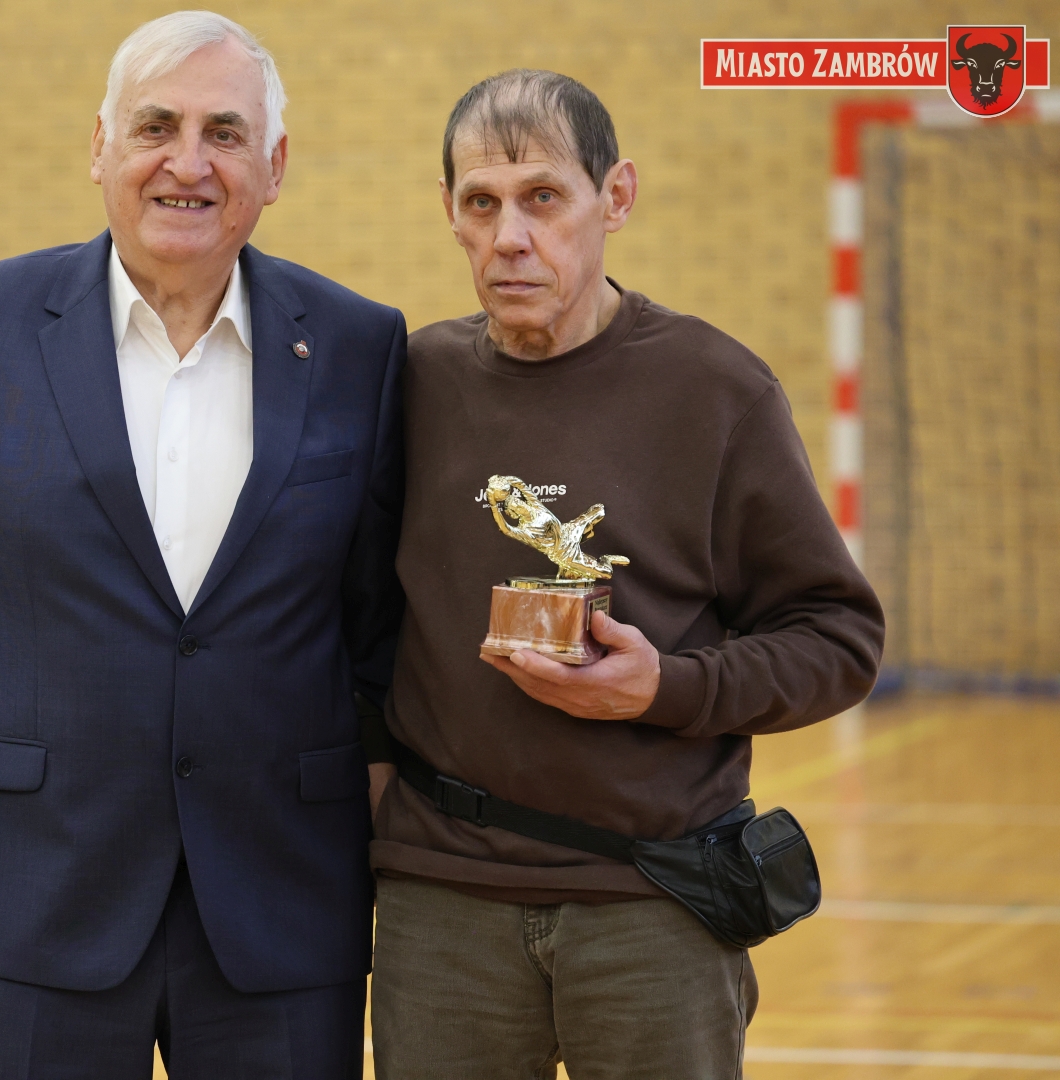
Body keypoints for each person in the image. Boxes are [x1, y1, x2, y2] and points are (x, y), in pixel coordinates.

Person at [0, 12, 405, 1078]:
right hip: (31, 902)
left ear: (276, 165)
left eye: (225, 133)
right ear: (100, 148)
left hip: (281, 910)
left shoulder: (358, 345)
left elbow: (382, 639)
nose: (188, 163)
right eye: (156, 127)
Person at [362, 69, 885, 1079]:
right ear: (450, 214)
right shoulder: (411, 385)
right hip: (442, 902)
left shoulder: (717, 391)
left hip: (654, 902)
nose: (511, 236)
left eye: (543, 198)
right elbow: (354, 618)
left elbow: (839, 638)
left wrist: (667, 688)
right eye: (483, 203)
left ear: (617, 197)